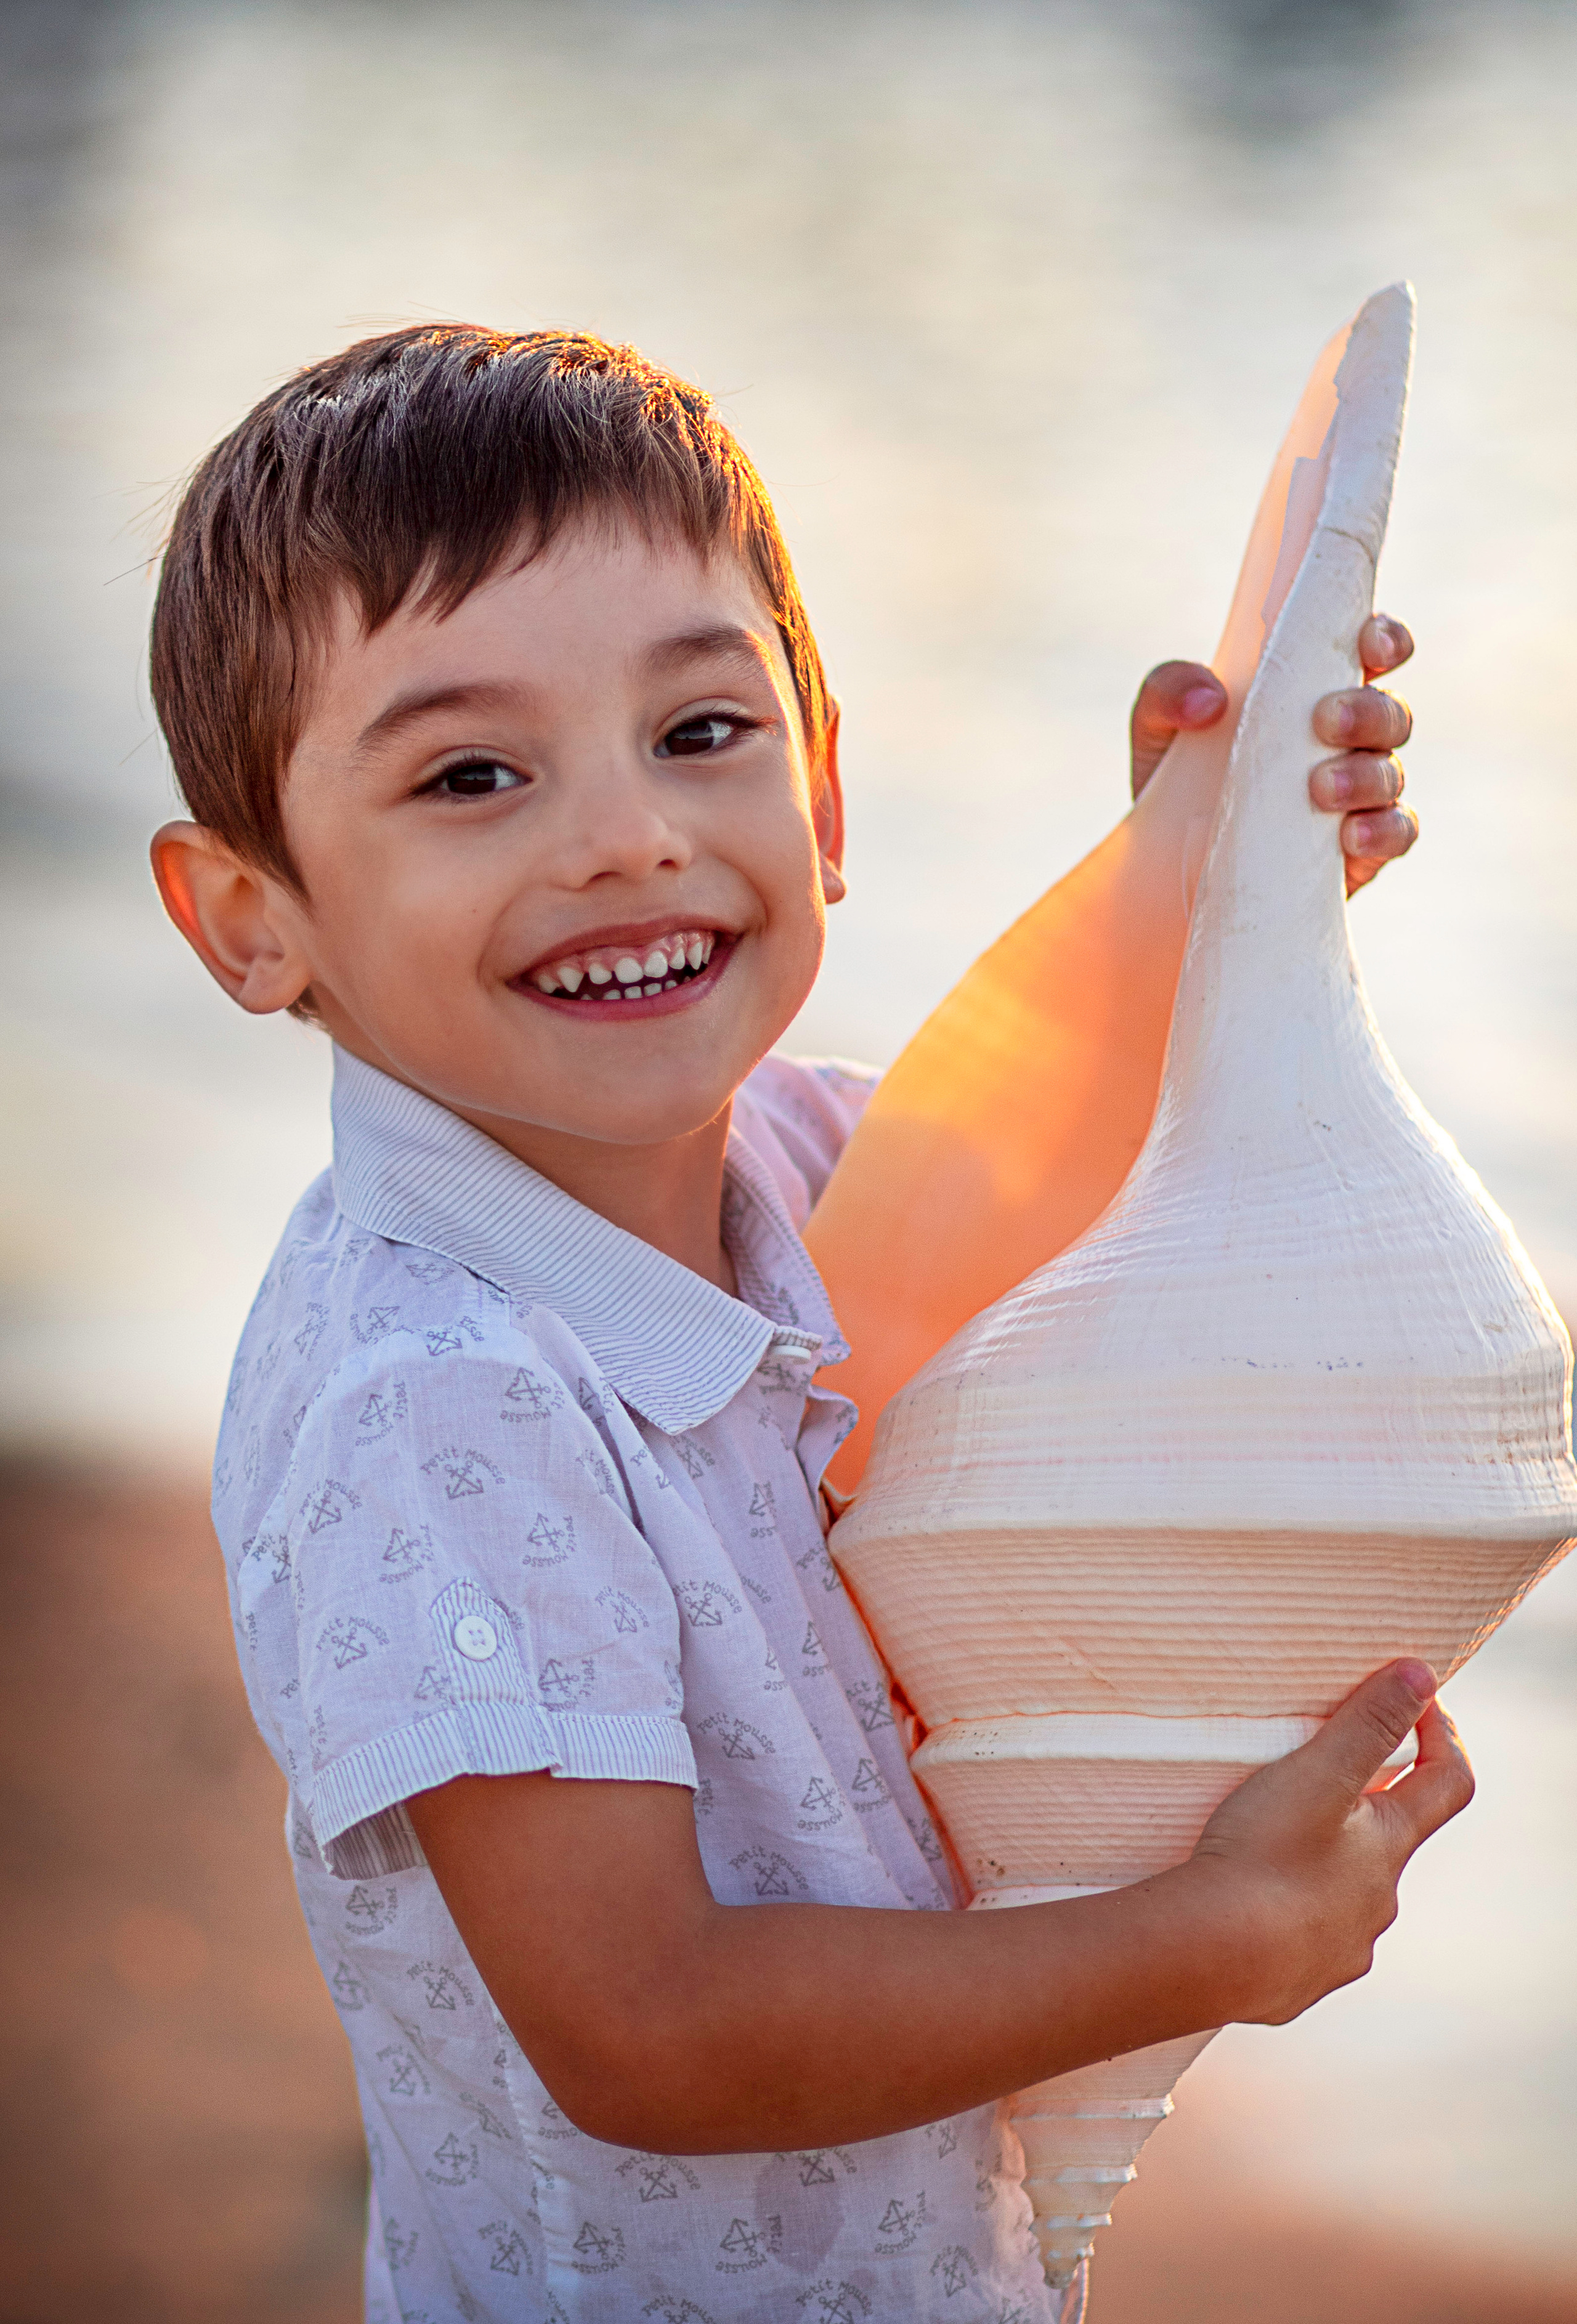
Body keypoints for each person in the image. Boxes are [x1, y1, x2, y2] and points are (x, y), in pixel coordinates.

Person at [149, 326, 1471, 2324]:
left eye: (700, 735)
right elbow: (654, 2030)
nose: (622, 837)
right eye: (471, 773)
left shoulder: (801, 1152)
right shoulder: (436, 1397)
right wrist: (1204, 1943)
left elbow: (1097, 1210)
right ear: (253, 918)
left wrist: (1220, 888)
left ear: (825, 783)